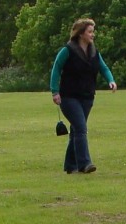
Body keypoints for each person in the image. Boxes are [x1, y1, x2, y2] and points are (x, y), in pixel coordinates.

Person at [50, 18, 117, 173]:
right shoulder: (68, 50)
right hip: (68, 97)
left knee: (76, 130)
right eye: (90, 32)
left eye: (93, 31)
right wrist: (55, 91)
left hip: (87, 96)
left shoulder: (94, 51)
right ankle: (85, 164)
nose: (93, 35)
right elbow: (56, 69)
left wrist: (111, 81)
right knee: (81, 128)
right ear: (81, 34)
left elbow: (104, 68)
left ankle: (70, 165)